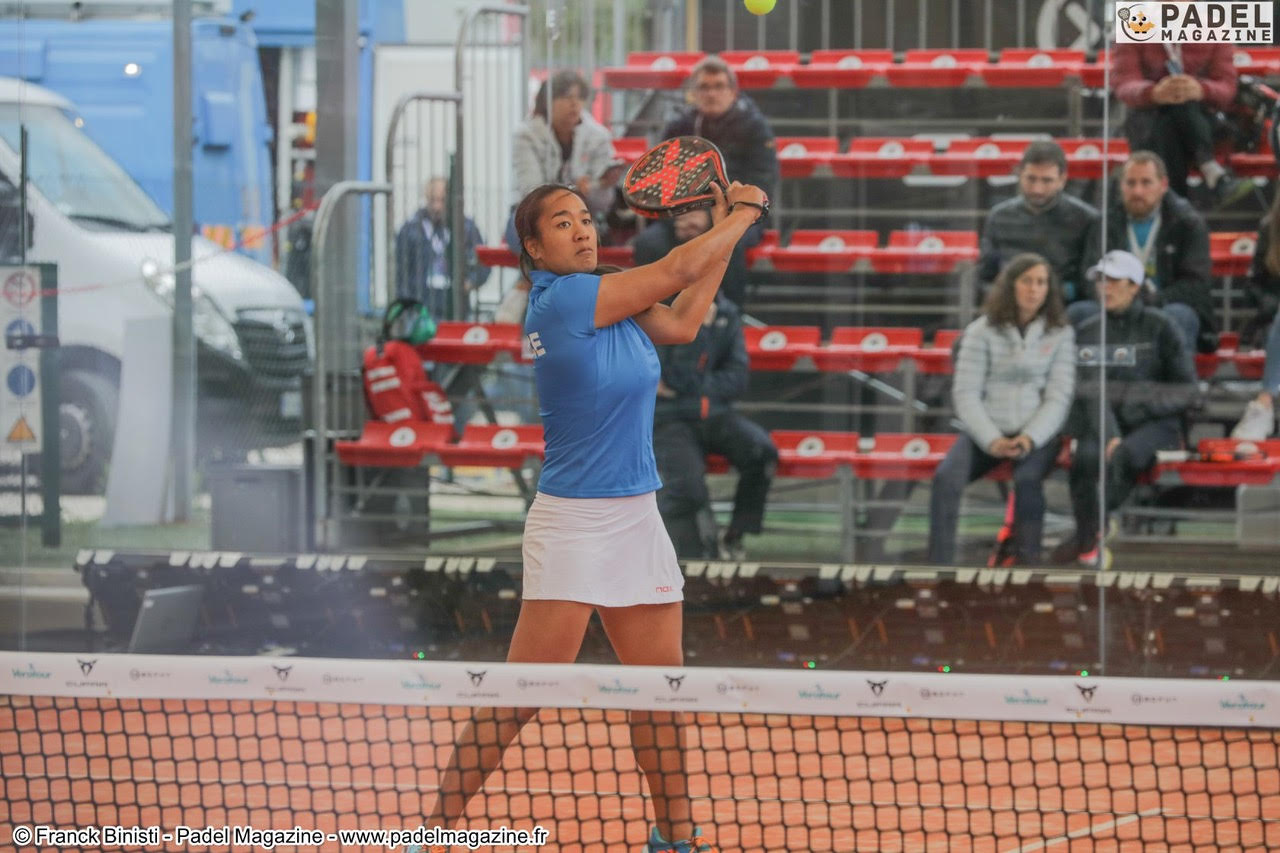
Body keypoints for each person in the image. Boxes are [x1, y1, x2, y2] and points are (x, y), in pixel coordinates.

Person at [421, 179, 768, 853]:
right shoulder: (567, 299)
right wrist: (746, 214)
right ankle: (432, 834)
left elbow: (686, 317)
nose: (581, 230)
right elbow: (675, 269)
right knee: (518, 698)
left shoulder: (611, 296)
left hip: (637, 519)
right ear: (533, 246)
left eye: (584, 218)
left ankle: (674, 834)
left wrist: (726, 231)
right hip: (574, 523)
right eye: (561, 223)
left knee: (658, 693)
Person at [1051, 250, 1198, 565]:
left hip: (1156, 422)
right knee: (1086, 457)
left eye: (1115, 281)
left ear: (1135, 286)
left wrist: (1141, 404)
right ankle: (1090, 536)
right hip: (1105, 420)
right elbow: (1088, 390)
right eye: (1102, 281)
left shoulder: (1162, 326)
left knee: (1125, 455)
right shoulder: (1087, 329)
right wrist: (1111, 433)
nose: (1106, 288)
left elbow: (1187, 389)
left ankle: (1090, 534)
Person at [927, 253, 1075, 566]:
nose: (1034, 290)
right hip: (986, 432)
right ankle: (938, 565)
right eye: (1027, 282)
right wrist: (991, 439)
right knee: (945, 478)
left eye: (1041, 283)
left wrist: (1030, 438)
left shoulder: (1061, 333)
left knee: (1027, 482)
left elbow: (1058, 397)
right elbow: (966, 393)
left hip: (1036, 433)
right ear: (1010, 286)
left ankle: (1028, 567)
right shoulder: (981, 331)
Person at [652, 287, 777, 560]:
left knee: (762, 451)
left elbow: (737, 380)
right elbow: (665, 375)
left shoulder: (727, 312)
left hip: (716, 413)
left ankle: (734, 536)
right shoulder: (660, 311)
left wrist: (687, 387)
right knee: (687, 490)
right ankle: (685, 559)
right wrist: (699, 333)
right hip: (671, 418)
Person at [1069, 152, 1214, 365]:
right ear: (1121, 186)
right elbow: (1088, 276)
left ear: (1163, 185)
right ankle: (1087, 392)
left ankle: (1177, 392)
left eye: (1146, 183)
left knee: (1180, 315)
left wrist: (1152, 300)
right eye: (1131, 183)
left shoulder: (1188, 224)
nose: (1138, 191)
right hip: (1113, 304)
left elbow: (1196, 285)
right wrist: (1118, 302)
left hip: (1167, 304)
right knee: (1078, 312)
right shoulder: (1104, 224)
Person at [1112, 41, 1253, 206]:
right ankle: (1210, 168)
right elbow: (1124, 84)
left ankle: (1174, 205)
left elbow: (1226, 88)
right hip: (1150, 120)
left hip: (1201, 118)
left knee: (1178, 104)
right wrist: (1153, 92)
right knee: (1169, 117)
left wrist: (1200, 89)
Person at [976, 141, 1100, 304]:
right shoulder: (998, 217)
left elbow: (1090, 282)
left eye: (1047, 181)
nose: (1037, 189)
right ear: (1019, 174)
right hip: (1011, 305)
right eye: (1031, 179)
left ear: (1062, 180)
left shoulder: (1086, 219)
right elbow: (985, 276)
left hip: (1064, 307)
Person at [507, 70, 619, 246]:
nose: (574, 103)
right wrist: (573, 190)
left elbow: (603, 203)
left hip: (581, 214)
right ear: (548, 101)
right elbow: (532, 191)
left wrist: (600, 186)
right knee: (542, 238)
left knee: (581, 236)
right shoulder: (526, 135)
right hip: (532, 215)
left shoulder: (599, 136)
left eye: (579, 97)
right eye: (566, 97)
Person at [394, 176, 489, 321]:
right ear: (426, 198)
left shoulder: (466, 228)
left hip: (456, 309)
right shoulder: (411, 229)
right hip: (420, 309)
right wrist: (408, 304)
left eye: (442, 200)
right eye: (433, 200)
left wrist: (470, 282)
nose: (437, 207)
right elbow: (400, 271)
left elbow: (484, 263)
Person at [1231, 195, 1280, 439]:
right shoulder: (1270, 227)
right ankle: (1264, 405)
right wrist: (1271, 304)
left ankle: (1265, 402)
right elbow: (1254, 286)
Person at [635, 207, 749, 310]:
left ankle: (728, 314)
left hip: (713, 220)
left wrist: (708, 220)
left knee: (731, 239)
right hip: (672, 220)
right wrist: (677, 222)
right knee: (649, 241)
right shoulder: (653, 242)